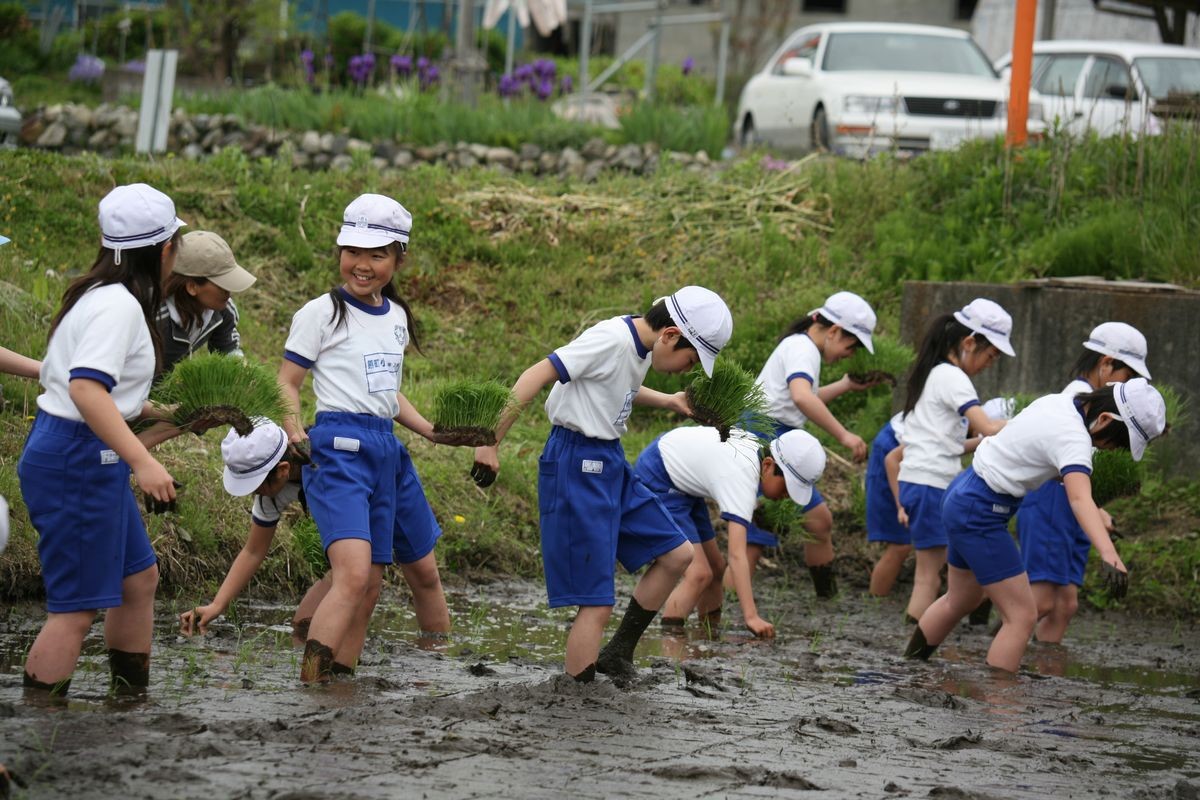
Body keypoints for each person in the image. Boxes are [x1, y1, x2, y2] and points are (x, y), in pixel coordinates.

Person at [472, 287, 733, 683]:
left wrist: (669, 401)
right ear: (671, 335)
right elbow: (537, 373)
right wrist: (490, 441)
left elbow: (616, 385)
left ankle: (618, 653)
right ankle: (578, 693)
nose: (687, 368)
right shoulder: (609, 338)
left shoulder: (640, 345)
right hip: (575, 464)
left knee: (678, 554)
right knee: (596, 602)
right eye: (691, 357)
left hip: (610, 461)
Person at [278, 193, 466, 682]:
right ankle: (310, 682)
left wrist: (427, 430)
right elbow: (287, 382)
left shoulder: (396, 318)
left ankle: (341, 680)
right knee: (354, 574)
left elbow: (387, 392)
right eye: (352, 252)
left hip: (385, 448)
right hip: (338, 447)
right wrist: (295, 429)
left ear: (399, 258)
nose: (362, 265)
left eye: (377, 255)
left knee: (373, 582)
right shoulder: (321, 312)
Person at [18, 183, 192, 696]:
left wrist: (169, 413)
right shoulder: (118, 306)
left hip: (87, 454)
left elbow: (104, 392)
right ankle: (41, 729)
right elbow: (86, 390)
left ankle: (128, 701)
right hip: (77, 458)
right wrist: (143, 461)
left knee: (137, 581)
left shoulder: (100, 295)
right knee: (75, 610)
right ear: (165, 251)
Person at [906, 378, 1166, 673]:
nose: (1109, 449)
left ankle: (910, 666)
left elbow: (1032, 456)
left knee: (960, 599)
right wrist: (1109, 554)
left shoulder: (1059, 402)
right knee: (1022, 616)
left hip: (963, 493)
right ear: (1105, 419)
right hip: (982, 512)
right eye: (1116, 441)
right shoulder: (1074, 437)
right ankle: (1001, 705)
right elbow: (1079, 499)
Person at [179, 420, 451, 664]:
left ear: (283, 469)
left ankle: (434, 660)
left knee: (423, 574)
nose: (254, 492)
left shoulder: (327, 465)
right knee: (304, 623)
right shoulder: (271, 494)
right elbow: (253, 550)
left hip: (387, 473)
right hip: (352, 527)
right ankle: (334, 673)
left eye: (257, 484)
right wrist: (217, 604)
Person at [1017, 322, 1151, 644]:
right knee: (1042, 600)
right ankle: (998, 652)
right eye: (1129, 377)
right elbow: (1071, 476)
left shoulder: (1089, 401)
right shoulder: (1081, 401)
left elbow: (1083, 474)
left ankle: (1042, 669)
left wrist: (1098, 509)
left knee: (1065, 603)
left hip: (1070, 502)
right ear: (1106, 365)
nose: (1129, 388)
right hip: (1053, 501)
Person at [637, 425, 826, 638]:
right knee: (699, 574)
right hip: (661, 476)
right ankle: (670, 649)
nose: (787, 496)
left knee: (717, 568)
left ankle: (707, 635)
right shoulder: (742, 477)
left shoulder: (755, 456)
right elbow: (737, 555)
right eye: (786, 488)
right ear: (768, 465)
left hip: (685, 481)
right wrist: (751, 616)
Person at [749, 291, 880, 597]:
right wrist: (844, 435)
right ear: (834, 331)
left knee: (814, 523)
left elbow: (803, 396)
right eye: (852, 345)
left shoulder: (801, 347)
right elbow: (801, 397)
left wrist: (847, 385)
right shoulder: (802, 347)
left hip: (771, 435)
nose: (851, 353)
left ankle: (826, 598)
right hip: (766, 437)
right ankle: (725, 606)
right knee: (759, 533)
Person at [891, 299, 1012, 622]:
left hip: (919, 480)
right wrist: (1027, 424)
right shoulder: (953, 378)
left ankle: (917, 639)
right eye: (991, 355)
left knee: (930, 571)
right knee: (930, 574)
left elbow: (951, 443)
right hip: (932, 484)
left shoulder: (935, 374)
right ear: (969, 342)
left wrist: (983, 440)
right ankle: (915, 645)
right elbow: (986, 425)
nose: (990, 363)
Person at [156, 230, 255, 373]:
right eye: (221, 284)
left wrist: (243, 373)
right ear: (192, 287)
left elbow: (227, 348)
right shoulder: (155, 318)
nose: (228, 291)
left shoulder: (223, 309)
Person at [865, 412, 908, 596]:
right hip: (895, 449)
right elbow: (891, 460)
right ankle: (874, 603)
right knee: (901, 542)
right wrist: (901, 505)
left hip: (911, 452)